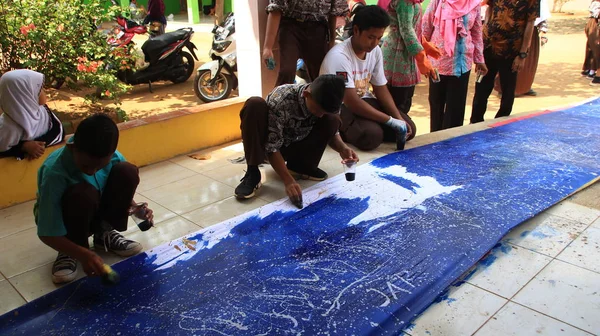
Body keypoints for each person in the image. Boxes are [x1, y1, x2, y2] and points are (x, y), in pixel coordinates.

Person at [35, 114, 152, 284]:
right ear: (72, 147)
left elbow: (118, 191)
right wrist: (83, 254)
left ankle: (103, 233)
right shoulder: (54, 173)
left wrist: (136, 209)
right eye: (86, 166)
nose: (91, 171)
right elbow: (46, 232)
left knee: (127, 171)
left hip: (94, 209)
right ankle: (70, 248)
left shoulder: (112, 157)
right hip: (68, 219)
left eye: (100, 166)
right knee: (83, 193)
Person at [234, 75, 358, 205]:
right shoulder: (281, 99)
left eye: (324, 112)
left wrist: (342, 148)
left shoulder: (330, 98)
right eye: (317, 110)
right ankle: (252, 172)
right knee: (254, 105)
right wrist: (288, 181)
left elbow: (332, 132)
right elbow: (272, 146)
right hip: (270, 145)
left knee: (332, 119)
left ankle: (301, 166)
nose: (320, 115)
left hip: (296, 141)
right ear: (306, 94)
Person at [320, 5, 410, 152]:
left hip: (363, 100)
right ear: (356, 30)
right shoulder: (339, 57)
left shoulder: (375, 52)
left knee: (408, 128)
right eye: (370, 37)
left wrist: (397, 118)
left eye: (379, 38)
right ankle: (340, 130)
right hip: (340, 107)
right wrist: (389, 121)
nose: (374, 43)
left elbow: (381, 89)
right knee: (371, 136)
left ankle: (371, 124)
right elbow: (350, 101)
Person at [422, 0, 487, 132]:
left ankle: (451, 146)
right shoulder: (439, 2)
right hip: (438, 63)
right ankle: (435, 142)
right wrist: (422, 59)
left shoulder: (474, 4)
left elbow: (476, 33)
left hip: (462, 64)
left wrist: (479, 59)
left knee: (456, 108)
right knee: (437, 105)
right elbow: (425, 29)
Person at [470, 0, 539, 123]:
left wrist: (522, 54)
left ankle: (500, 125)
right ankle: (475, 122)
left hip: (511, 50)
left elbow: (530, 23)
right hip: (489, 47)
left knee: (507, 91)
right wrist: (485, 30)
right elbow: (489, 8)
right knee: (481, 88)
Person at [262, 0, 349, 86]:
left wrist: (331, 41)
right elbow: (276, 8)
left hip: (317, 27)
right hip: (290, 25)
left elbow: (333, 13)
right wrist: (267, 47)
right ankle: (278, 99)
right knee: (287, 72)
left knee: (321, 76)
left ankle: (319, 98)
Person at [380, 0, 437, 115]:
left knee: (402, 105)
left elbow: (413, 28)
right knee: (398, 107)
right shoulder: (404, 1)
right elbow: (406, 30)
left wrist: (424, 45)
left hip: (405, 53)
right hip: (398, 58)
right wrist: (422, 58)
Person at [0, 70, 64, 160]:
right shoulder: (7, 126)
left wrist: (39, 145)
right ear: (25, 95)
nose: (43, 92)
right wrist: (24, 147)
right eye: (39, 90)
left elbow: (59, 131)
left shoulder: (43, 111)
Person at [494, 0, 550, 96]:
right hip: (510, 30)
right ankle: (503, 89)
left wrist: (543, 30)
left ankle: (524, 87)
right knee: (507, 61)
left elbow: (540, 13)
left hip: (530, 32)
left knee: (528, 62)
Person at [586, 0, 600, 85]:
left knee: (594, 50)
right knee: (597, 50)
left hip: (592, 24)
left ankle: (591, 71)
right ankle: (598, 76)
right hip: (595, 25)